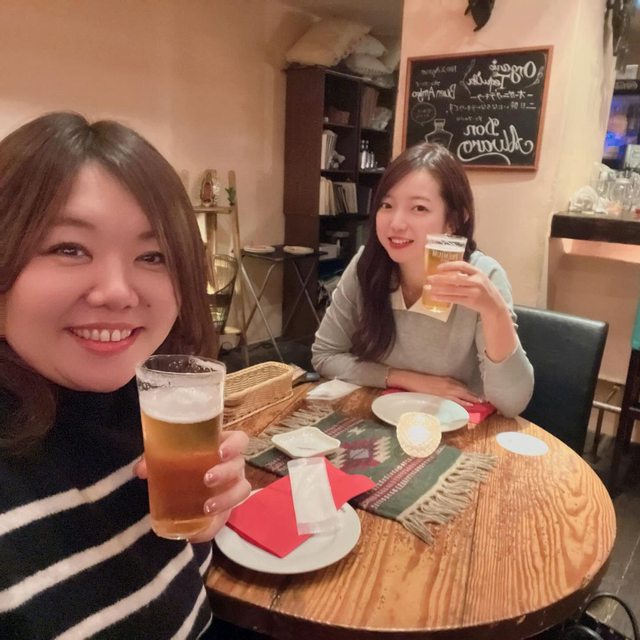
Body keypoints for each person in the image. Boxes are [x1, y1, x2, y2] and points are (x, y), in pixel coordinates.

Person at [0, 112, 253, 639]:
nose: (117, 292)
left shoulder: (147, 406)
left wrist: (203, 525)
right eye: (69, 248)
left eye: (153, 255)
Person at [312, 143, 534, 417]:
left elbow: (512, 403)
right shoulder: (367, 266)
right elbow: (324, 356)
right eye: (387, 205)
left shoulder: (482, 277)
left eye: (418, 208)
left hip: (458, 426)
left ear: (454, 220)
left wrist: (494, 312)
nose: (396, 223)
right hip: (382, 418)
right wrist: (405, 378)